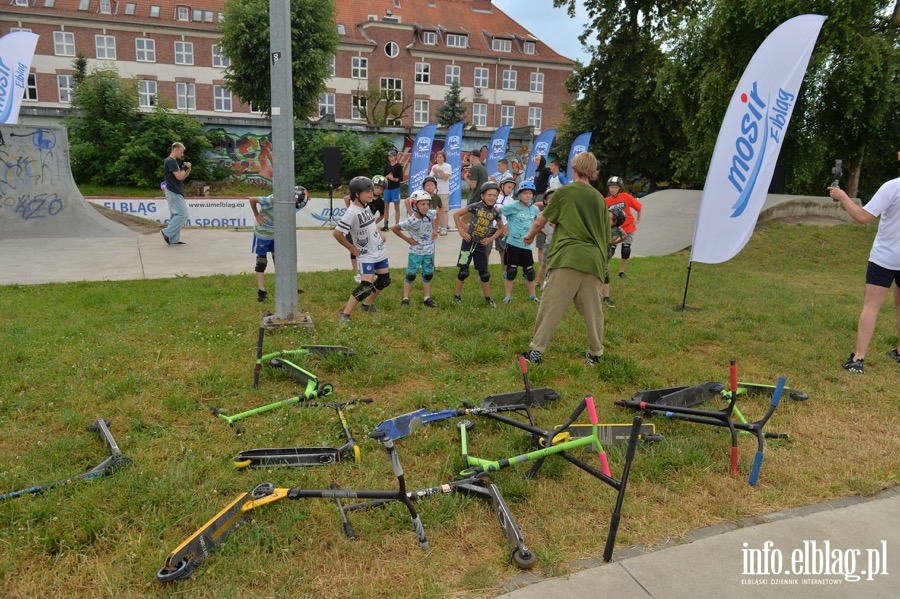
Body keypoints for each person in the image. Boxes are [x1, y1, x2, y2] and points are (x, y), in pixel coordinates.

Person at [520, 151, 611, 365]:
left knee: (551, 306)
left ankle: (536, 352)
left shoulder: (565, 192)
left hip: (568, 257)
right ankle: (596, 353)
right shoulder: (599, 198)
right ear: (593, 171)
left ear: (574, 168)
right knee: (593, 311)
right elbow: (606, 235)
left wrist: (529, 236)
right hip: (594, 260)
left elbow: (541, 220)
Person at [829, 150, 900, 373]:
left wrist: (842, 197)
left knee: (871, 306)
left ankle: (858, 360)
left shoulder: (892, 187)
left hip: (885, 258)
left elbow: (862, 217)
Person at [333, 177, 391, 322]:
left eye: (371, 190)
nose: (371, 194)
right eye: (367, 191)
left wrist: (379, 234)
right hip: (366, 254)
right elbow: (337, 233)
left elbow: (370, 224)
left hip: (379, 250)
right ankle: (345, 314)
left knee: (384, 280)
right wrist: (351, 248)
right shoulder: (352, 212)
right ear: (356, 194)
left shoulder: (365, 206)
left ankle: (367, 305)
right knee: (365, 286)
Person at [452, 181, 507, 308]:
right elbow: (456, 215)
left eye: (494, 195)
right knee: (463, 272)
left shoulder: (496, 212)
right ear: (482, 195)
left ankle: (488, 298)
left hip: (481, 245)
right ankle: (457, 296)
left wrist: (490, 238)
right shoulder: (475, 206)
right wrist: (461, 231)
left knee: (484, 273)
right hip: (468, 242)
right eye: (489, 195)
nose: (492, 197)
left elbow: (501, 229)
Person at [250, 186, 308, 302]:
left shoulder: (296, 202)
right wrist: (256, 214)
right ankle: (261, 291)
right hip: (263, 232)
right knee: (261, 261)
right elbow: (252, 199)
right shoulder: (273, 199)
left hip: (276, 233)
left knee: (279, 260)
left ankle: (287, 287)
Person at [392, 190, 439, 308]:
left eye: (428, 204)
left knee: (428, 274)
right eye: (423, 204)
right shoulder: (411, 220)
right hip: (416, 252)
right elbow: (395, 228)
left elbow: (436, 217)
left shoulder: (430, 214)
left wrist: (435, 230)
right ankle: (405, 298)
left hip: (429, 250)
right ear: (414, 205)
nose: (426, 207)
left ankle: (427, 298)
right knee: (411, 275)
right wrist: (408, 240)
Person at [500, 180, 541, 304]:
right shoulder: (513, 206)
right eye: (525, 193)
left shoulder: (534, 209)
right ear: (519, 194)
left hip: (526, 245)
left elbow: (536, 223)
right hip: (512, 244)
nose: (528, 196)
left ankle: (532, 296)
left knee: (530, 272)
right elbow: (497, 213)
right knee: (511, 271)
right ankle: (508, 296)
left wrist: (533, 235)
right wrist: (503, 228)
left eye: (530, 193)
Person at [344, 175, 387, 282]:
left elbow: (382, 215)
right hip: (356, 225)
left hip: (368, 225)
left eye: (381, 189)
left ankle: (374, 270)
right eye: (376, 187)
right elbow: (347, 198)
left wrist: (373, 223)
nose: (378, 190)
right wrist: (350, 209)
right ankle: (356, 272)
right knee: (355, 247)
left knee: (376, 243)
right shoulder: (361, 198)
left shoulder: (380, 202)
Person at [605, 176, 643, 278]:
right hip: (614, 229)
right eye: (612, 187)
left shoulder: (625, 196)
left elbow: (639, 207)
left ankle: (621, 272)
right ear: (609, 187)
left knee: (625, 250)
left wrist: (638, 219)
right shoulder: (606, 201)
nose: (613, 189)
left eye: (616, 187)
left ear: (619, 188)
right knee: (610, 249)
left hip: (628, 227)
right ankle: (606, 268)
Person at [161, 142, 191, 245]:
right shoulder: (171, 161)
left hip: (174, 190)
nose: (182, 154)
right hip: (173, 191)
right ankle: (166, 232)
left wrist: (187, 169)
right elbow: (179, 176)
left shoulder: (171, 162)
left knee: (175, 215)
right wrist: (183, 168)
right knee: (183, 214)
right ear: (176, 149)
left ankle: (173, 239)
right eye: (181, 152)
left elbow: (182, 178)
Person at [601, 207, 627, 308]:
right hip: (594, 251)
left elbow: (624, 236)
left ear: (617, 222)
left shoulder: (618, 230)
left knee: (605, 274)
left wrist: (614, 243)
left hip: (605, 253)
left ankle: (606, 297)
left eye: (611, 219)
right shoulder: (600, 225)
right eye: (608, 217)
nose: (608, 220)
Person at [489, 177, 517, 265]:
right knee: (486, 251)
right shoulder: (494, 196)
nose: (510, 190)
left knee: (503, 252)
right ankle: (483, 273)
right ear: (502, 186)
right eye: (508, 187)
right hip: (489, 226)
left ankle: (506, 274)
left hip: (503, 228)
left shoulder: (511, 201)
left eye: (512, 188)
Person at [430, 151, 452, 234]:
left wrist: (440, 171)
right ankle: (437, 226)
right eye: (437, 157)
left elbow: (446, 177)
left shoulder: (447, 166)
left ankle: (445, 227)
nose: (439, 159)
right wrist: (434, 172)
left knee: (444, 210)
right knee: (435, 210)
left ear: (444, 158)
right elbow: (430, 177)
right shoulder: (434, 166)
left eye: (440, 157)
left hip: (444, 191)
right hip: (435, 191)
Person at [382, 149, 404, 231]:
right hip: (387, 188)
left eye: (391, 156)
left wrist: (393, 179)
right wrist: (387, 177)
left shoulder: (398, 166)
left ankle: (397, 225)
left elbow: (401, 178)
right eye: (389, 156)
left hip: (395, 189)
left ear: (395, 157)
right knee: (386, 206)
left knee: (396, 207)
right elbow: (384, 177)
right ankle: (385, 224)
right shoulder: (386, 167)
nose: (389, 158)